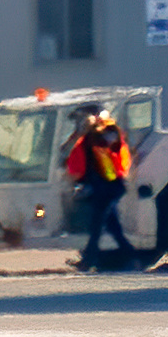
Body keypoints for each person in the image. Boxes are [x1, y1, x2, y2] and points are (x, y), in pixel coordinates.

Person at [61, 105, 136, 270]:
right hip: (106, 187)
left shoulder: (104, 135)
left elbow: (102, 161)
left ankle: (89, 259)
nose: (81, 124)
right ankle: (130, 256)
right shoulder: (95, 137)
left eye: (83, 120)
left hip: (107, 187)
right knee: (111, 225)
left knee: (97, 224)